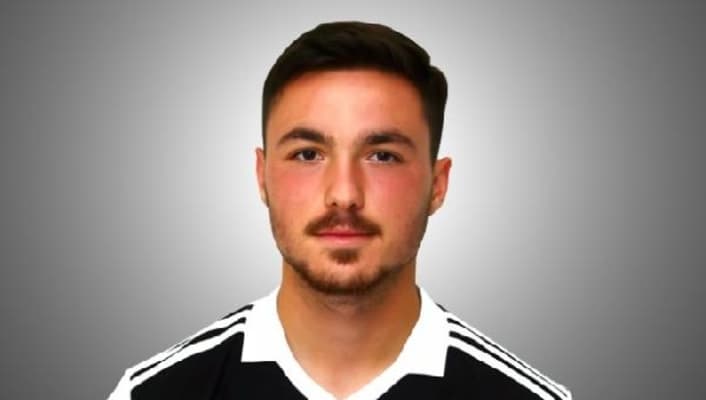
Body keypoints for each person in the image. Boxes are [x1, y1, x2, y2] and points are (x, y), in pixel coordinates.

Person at [108, 21, 571, 400]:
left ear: (438, 184)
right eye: (308, 154)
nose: (344, 194)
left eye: (382, 156)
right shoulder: (151, 394)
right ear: (262, 176)